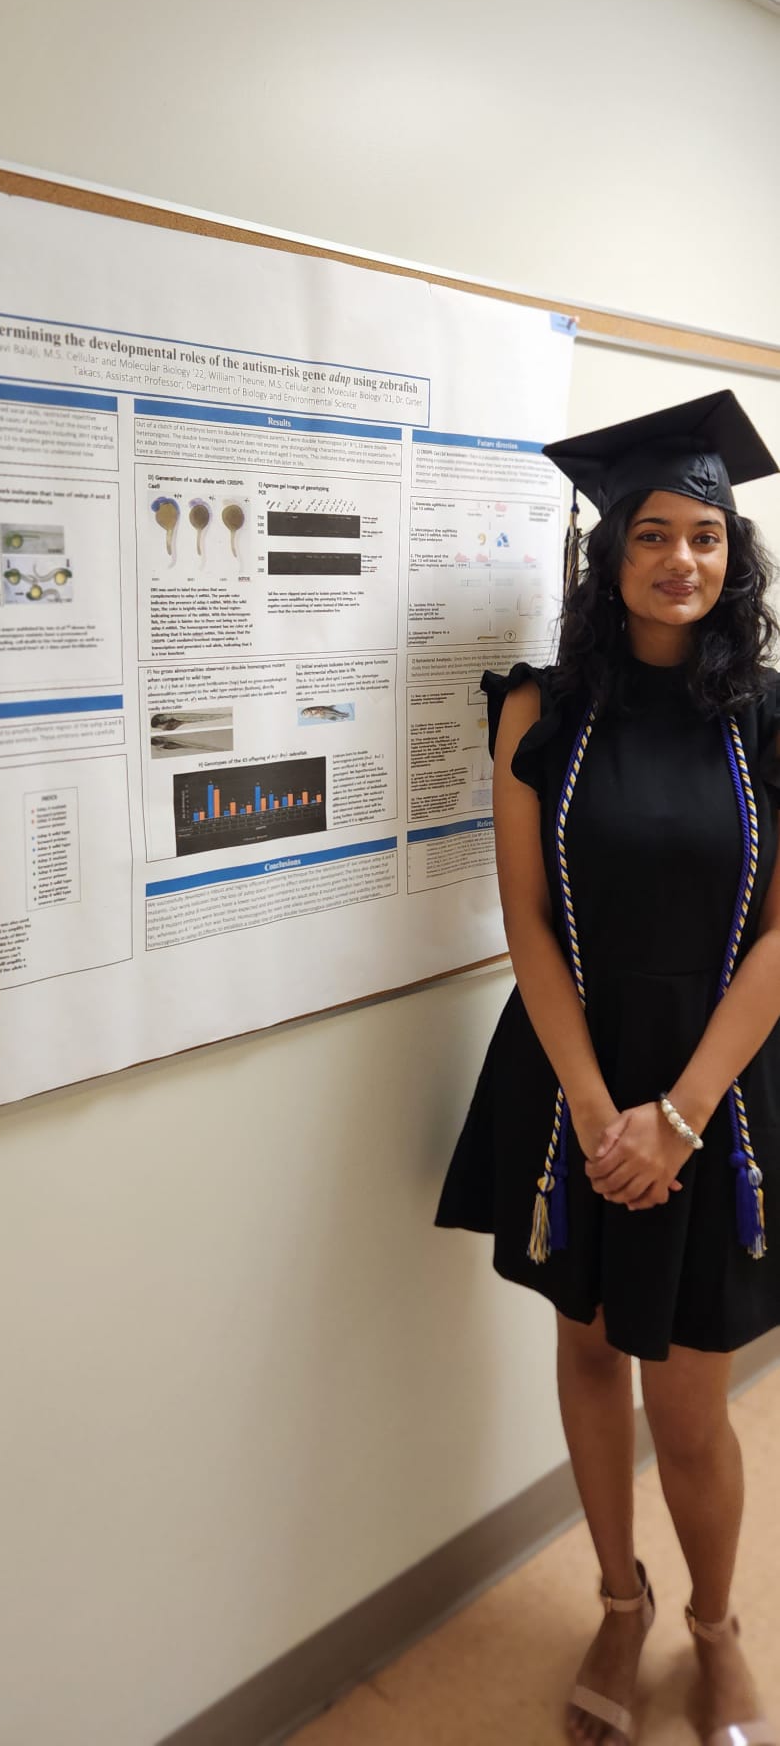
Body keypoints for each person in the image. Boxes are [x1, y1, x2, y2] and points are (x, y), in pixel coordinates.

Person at [436, 391, 780, 1746]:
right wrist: (592, 1108)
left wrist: (680, 1115)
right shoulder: (541, 708)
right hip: (568, 1082)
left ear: (731, 557)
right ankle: (620, 1600)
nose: (680, 561)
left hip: (718, 1088)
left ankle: (714, 1626)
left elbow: (779, 939)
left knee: (689, 1396)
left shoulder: (763, 716)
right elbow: (525, 920)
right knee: (587, 1345)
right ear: (610, 551)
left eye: (706, 536)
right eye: (654, 533)